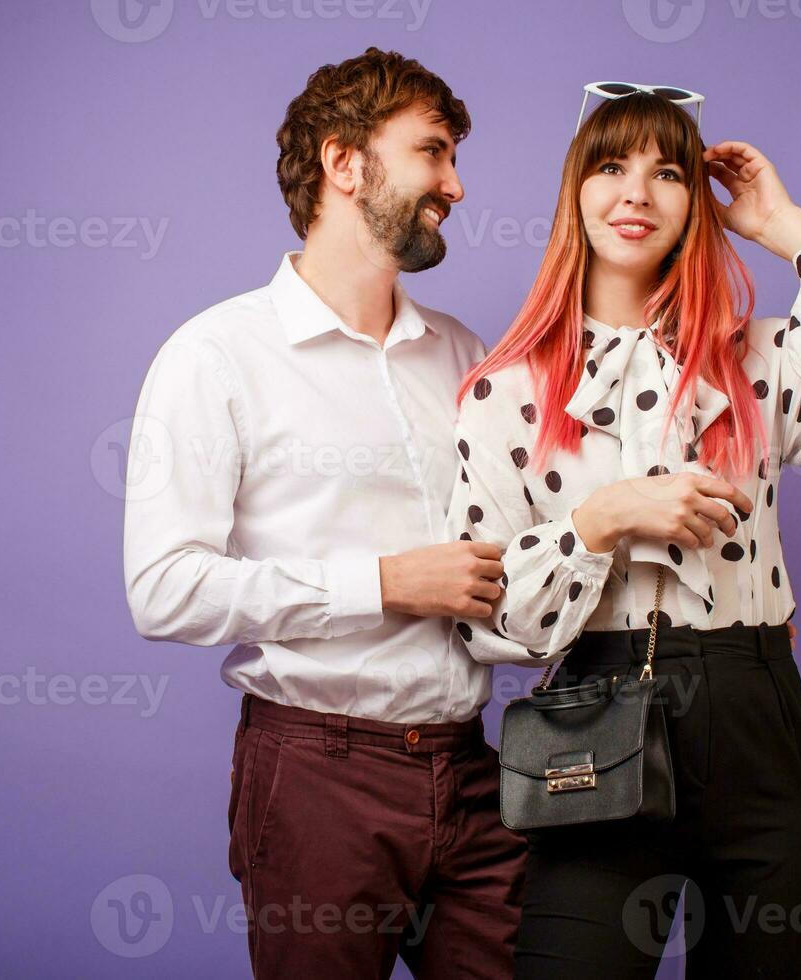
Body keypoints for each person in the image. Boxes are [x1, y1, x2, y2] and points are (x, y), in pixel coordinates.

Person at [446, 84, 801, 978]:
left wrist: (787, 224)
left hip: (758, 712)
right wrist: (599, 521)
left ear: (696, 205)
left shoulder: (758, 361)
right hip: (594, 721)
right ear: (575, 190)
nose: (636, 193)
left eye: (667, 173)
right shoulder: (506, 392)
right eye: (611, 167)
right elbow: (488, 622)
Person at [123, 48, 523, 979]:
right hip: (315, 781)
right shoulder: (215, 356)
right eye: (433, 152)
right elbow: (163, 590)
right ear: (346, 163)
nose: (456, 185)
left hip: (474, 773)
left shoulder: (463, 353)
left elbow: (511, 548)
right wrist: (386, 583)